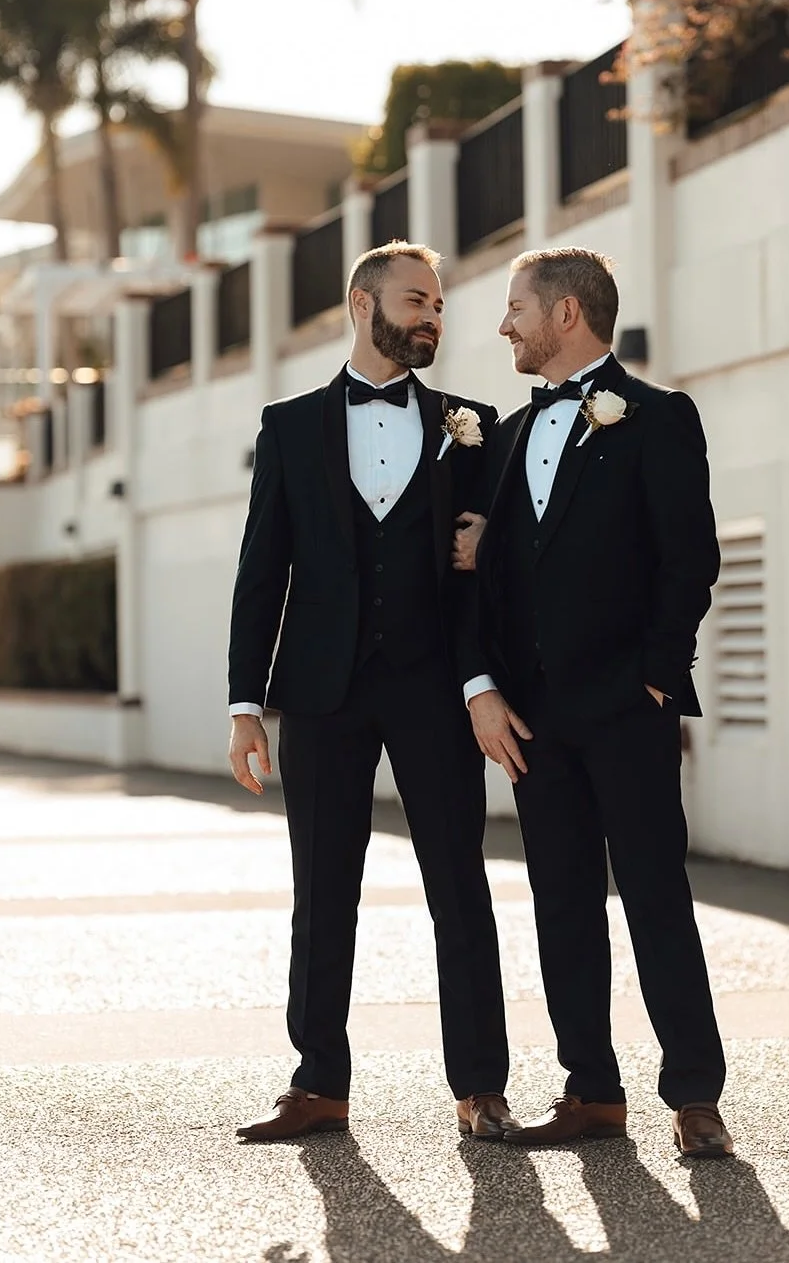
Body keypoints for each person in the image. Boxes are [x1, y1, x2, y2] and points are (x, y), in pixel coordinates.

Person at [228, 241, 517, 1144]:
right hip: (321, 690)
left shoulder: (473, 424)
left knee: (458, 886)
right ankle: (318, 1083)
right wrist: (246, 702)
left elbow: (494, 571)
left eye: (438, 303)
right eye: (414, 299)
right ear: (363, 304)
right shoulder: (289, 426)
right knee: (323, 891)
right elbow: (260, 570)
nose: (432, 315)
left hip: (436, 687)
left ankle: (480, 1085)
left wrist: (480, 675)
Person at [454, 247, 733, 1157]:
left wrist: (656, 673)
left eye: (515, 309)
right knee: (561, 901)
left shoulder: (655, 417)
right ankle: (591, 1092)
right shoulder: (499, 439)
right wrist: (484, 689)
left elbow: (688, 555)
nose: (503, 326)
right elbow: (479, 584)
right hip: (529, 718)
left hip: (625, 706)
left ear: (566, 314)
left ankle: (694, 1094)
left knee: (656, 895)